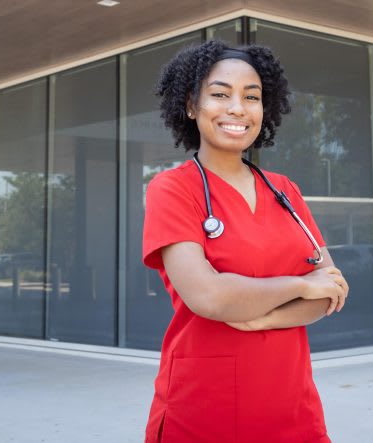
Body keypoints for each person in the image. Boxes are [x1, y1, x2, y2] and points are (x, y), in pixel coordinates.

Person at [142, 40, 349, 443]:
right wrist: (301, 285)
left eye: (251, 97)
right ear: (190, 106)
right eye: (220, 94)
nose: (238, 108)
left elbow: (332, 291)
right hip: (205, 407)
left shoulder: (284, 191)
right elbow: (209, 297)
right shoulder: (173, 189)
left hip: (292, 405)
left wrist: (263, 317)